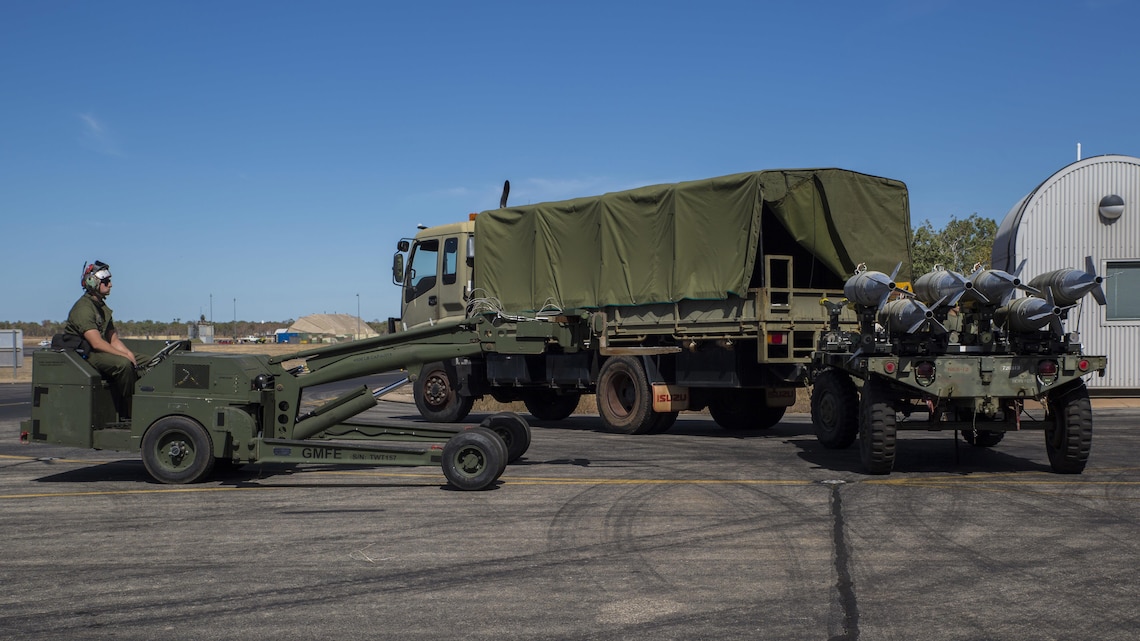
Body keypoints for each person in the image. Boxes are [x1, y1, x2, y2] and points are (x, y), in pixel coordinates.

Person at [64, 260, 138, 419]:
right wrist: (125, 357)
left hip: (98, 351)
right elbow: (96, 343)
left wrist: (128, 353)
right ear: (93, 283)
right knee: (123, 365)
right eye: (106, 281)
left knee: (148, 361)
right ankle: (130, 411)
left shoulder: (102, 308)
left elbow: (114, 340)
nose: (110, 285)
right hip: (85, 354)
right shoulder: (83, 308)